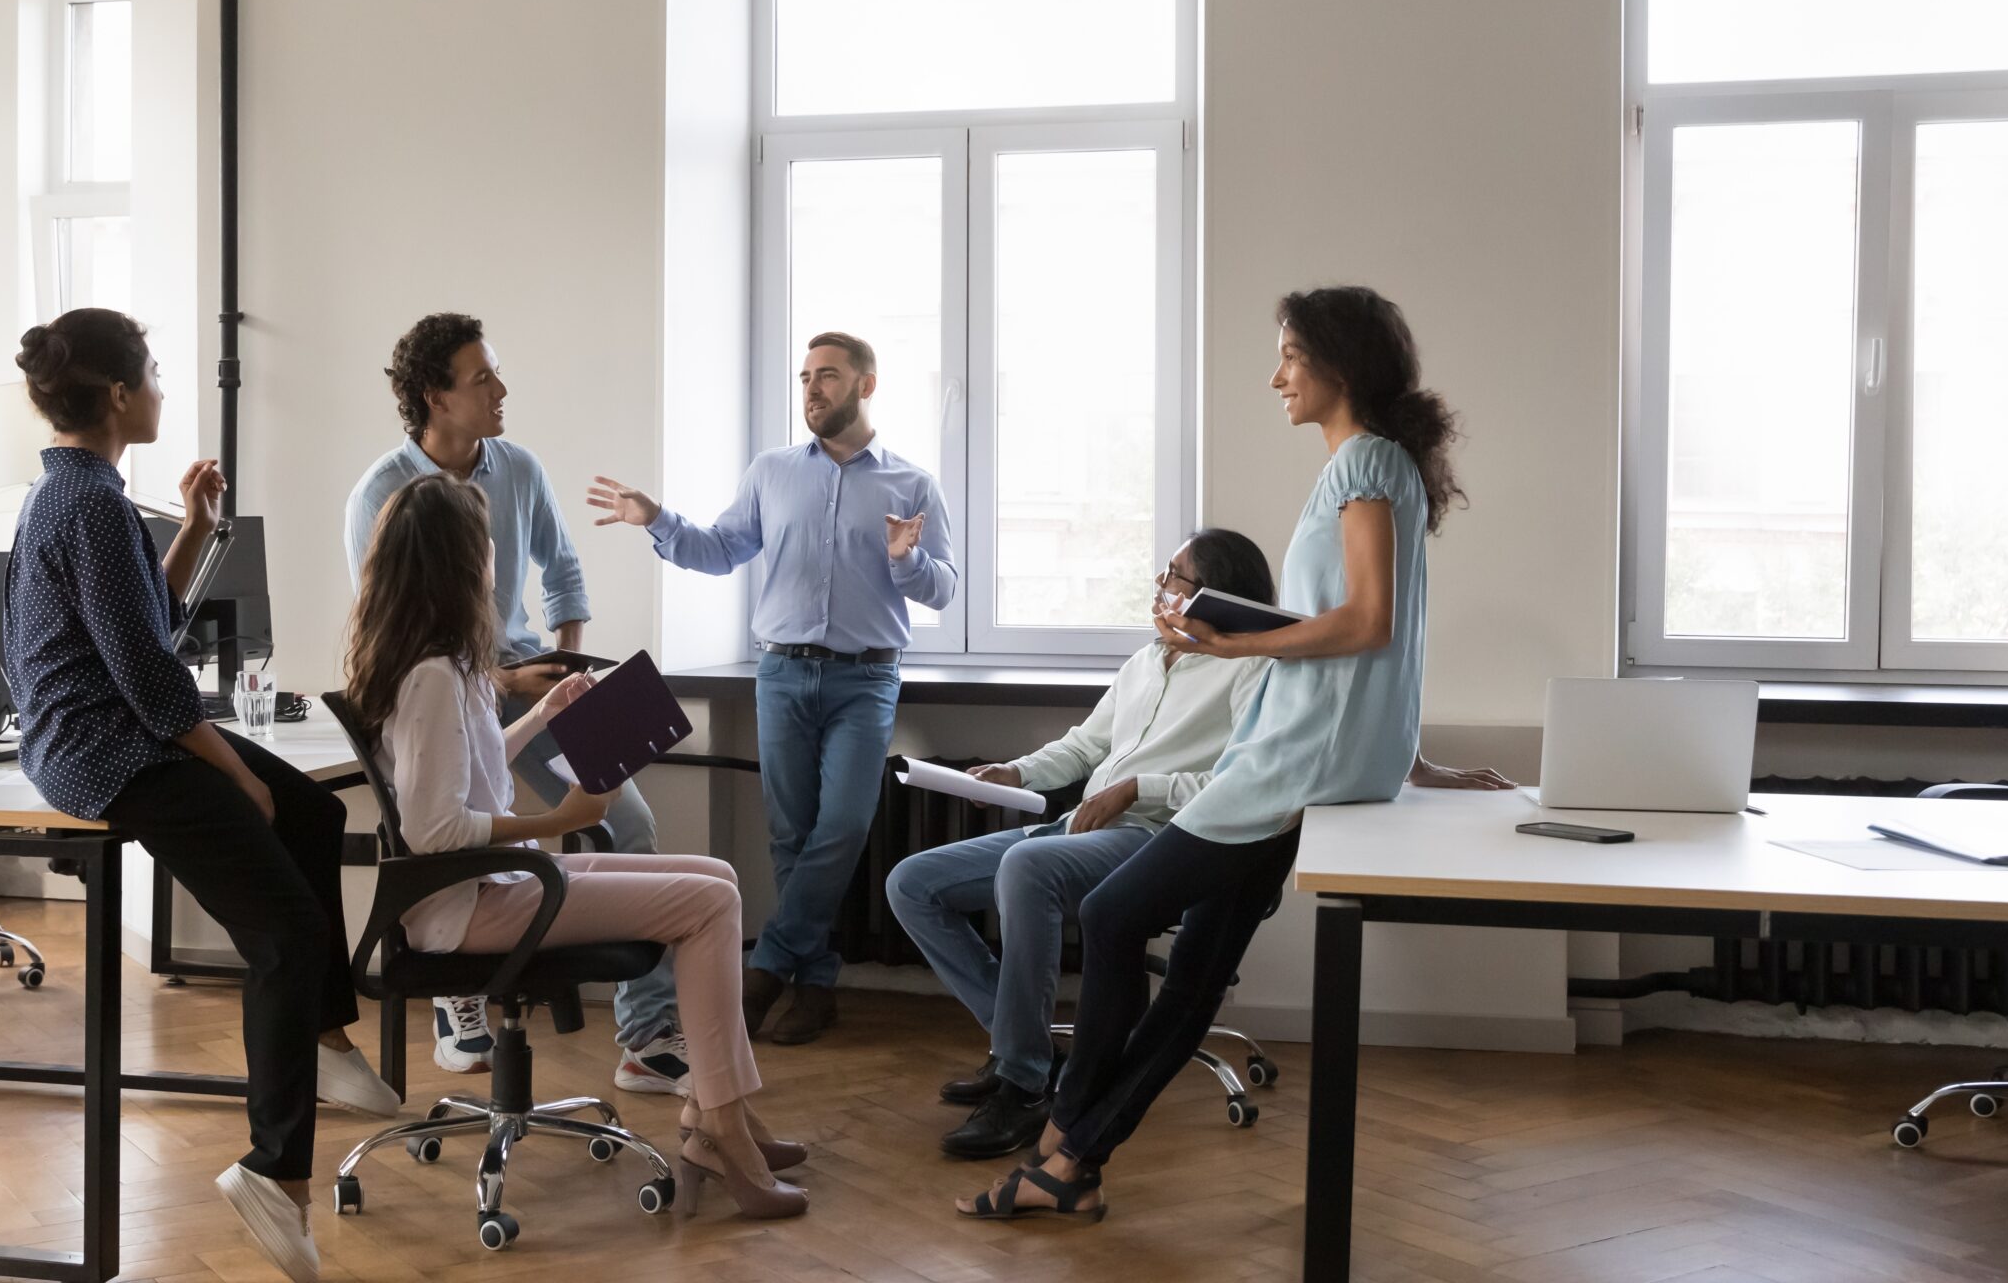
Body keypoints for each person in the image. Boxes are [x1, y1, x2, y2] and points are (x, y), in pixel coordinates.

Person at [958, 285, 1467, 1223]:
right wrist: (1407, 754)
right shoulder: (1382, 464)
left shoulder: (1362, 464)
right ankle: (1069, 1162)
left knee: (1112, 916)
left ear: (1337, 367)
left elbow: (1366, 622)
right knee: (1195, 971)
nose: (1276, 375)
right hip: (1322, 757)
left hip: (1291, 765)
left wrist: (1234, 645)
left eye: (1289, 357)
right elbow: (1377, 645)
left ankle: (1065, 1134)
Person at [893, 532, 1513, 1162]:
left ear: (1215, 595)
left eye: (1175, 578)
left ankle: (1023, 1082)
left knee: (1028, 867)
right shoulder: (1144, 661)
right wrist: (1015, 772)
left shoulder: (1255, 672)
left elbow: (1240, 783)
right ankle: (1021, 1046)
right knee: (912, 885)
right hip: (1080, 828)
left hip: (1159, 840)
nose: (1161, 590)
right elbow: (1085, 746)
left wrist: (1139, 789)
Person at [2, 307, 399, 1283]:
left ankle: (321, 1032)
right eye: (154, 374)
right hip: (106, 751)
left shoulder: (83, 492)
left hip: (119, 729)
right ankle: (273, 1173)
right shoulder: (88, 504)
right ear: (119, 396)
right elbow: (146, 674)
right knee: (286, 935)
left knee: (313, 808)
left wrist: (192, 533)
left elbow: (150, 625)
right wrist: (230, 775)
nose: (164, 390)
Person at [343, 472, 808, 1221]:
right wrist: (557, 822)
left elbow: (471, 764)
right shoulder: (433, 674)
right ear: (460, 563)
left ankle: (722, 1114)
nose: (497, 559)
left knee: (718, 877)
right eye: (487, 546)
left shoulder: (445, 663)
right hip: (470, 905)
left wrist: (540, 715)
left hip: (489, 886)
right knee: (712, 902)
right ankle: (718, 1123)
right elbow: (435, 832)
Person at [342, 313, 687, 1095]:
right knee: (453, 838)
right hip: (447, 695)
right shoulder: (381, 495)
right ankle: (457, 994)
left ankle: (644, 1035)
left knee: (627, 822)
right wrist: (496, 684)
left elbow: (565, 575)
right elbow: (389, 643)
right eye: (482, 379)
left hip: (528, 681)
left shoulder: (519, 468)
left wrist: (561, 662)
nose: (501, 391)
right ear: (436, 398)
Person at [589, 331, 956, 1045]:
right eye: (805, 377)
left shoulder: (911, 484)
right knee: (791, 836)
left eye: (827, 376)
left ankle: (767, 970)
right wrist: (656, 518)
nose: (812, 389)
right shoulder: (772, 471)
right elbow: (721, 550)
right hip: (783, 672)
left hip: (867, 677)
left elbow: (941, 588)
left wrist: (905, 562)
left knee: (844, 826)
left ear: (866, 386)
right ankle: (814, 988)